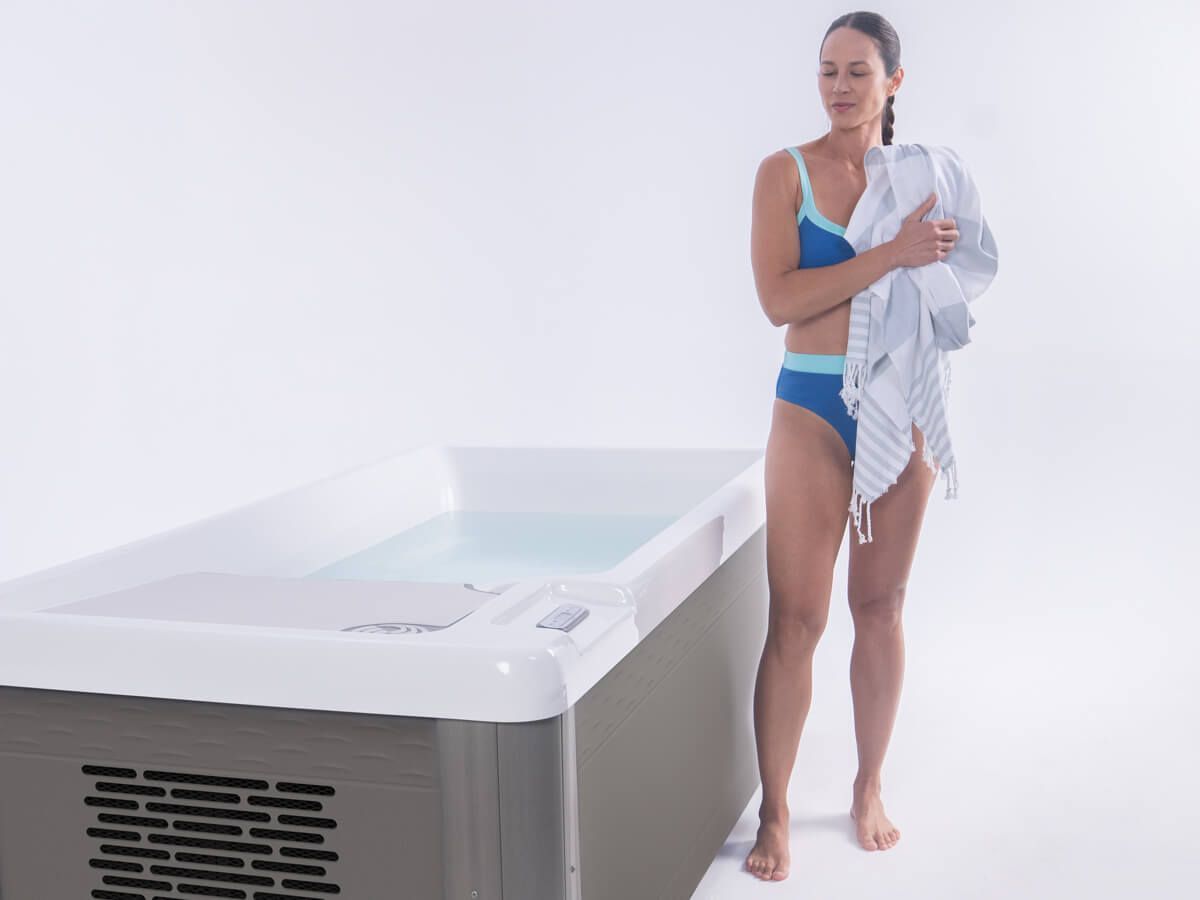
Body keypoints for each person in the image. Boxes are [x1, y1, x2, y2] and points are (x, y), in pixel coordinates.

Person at [744, 11, 960, 881]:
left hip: (897, 409)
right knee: (796, 619)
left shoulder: (923, 179)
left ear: (893, 82)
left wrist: (932, 256)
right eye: (827, 71)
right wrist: (893, 255)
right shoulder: (782, 173)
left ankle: (869, 786)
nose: (839, 87)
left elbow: (963, 279)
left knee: (882, 609)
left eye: (857, 72)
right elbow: (780, 300)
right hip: (809, 410)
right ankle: (776, 809)